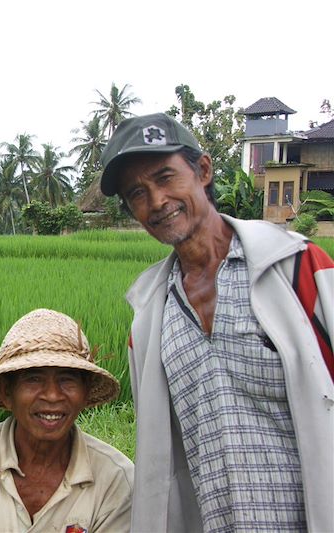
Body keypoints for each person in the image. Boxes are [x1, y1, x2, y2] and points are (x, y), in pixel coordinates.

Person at [99, 113, 334, 532]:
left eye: (166, 177)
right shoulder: (149, 322)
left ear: (203, 171)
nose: (156, 201)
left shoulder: (300, 271)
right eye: (137, 192)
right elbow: (162, 461)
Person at [0, 309, 133, 533]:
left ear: (85, 392)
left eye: (67, 379)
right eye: (33, 379)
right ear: (6, 393)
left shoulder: (116, 478)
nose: (52, 395)